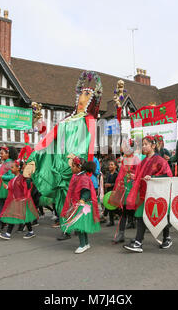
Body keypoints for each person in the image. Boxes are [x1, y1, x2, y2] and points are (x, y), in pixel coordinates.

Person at [26, 71, 102, 242]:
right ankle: (65, 227)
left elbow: (88, 143)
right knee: (62, 198)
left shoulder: (89, 119)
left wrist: (83, 163)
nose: (82, 95)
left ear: (92, 99)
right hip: (60, 165)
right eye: (81, 92)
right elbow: (49, 137)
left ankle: (77, 226)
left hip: (75, 164)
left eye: (87, 93)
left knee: (76, 198)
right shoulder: (66, 119)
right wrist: (34, 156)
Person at [123, 135, 173, 253]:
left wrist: (154, 177)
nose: (144, 147)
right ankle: (138, 242)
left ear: (153, 146)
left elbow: (168, 175)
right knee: (141, 216)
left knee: (161, 215)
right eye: (143, 145)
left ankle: (167, 237)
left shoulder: (160, 160)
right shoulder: (143, 161)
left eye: (146, 144)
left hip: (158, 194)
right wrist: (135, 176)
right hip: (144, 194)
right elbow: (141, 176)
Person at [60, 157, 100, 254]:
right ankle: (85, 243)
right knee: (82, 226)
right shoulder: (78, 176)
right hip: (79, 203)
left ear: (78, 167)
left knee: (80, 226)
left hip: (83, 204)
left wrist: (82, 199)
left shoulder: (83, 178)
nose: (71, 168)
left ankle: (82, 245)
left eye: (73, 166)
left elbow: (87, 190)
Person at [109, 138, 140, 244]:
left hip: (132, 188)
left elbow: (139, 174)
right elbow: (121, 174)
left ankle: (139, 237)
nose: (123, 148)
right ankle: (121, 234)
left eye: (125, 146)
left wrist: (134, 177)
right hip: (124, 188)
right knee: (123, 212)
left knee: (136, 212)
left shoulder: (136, 159)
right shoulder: (123, 159)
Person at [0, 160, 38, 240]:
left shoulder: (22, 177)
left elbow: (27, 187)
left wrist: (28, 181)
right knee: (23, 217)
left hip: (22, 201)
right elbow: (12, 188)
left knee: (17, 217)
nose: (11, 169)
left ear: (18, 168)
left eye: (13, 167)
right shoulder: (13, 179)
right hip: (16, 201)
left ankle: (8, 233)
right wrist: (7, 187)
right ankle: (30, 232)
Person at [103, 160, 118, 227]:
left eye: (112, 165)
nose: (110, 166)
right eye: (109, 165)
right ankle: (111, 221)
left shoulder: (116, 174)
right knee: (109, 207)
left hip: (114, 192)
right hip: (108, 192)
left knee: (116, 207)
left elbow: (117, 184)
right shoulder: (108, 174)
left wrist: (111, 185)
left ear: (115, 166)